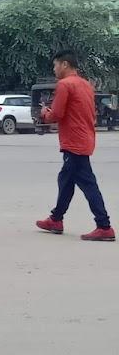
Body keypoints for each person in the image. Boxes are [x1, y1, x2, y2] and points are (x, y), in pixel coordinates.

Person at [35, 50, 114, 242]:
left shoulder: (65, 84)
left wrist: (45, 113)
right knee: (66, 180)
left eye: (55, 65)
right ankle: (56, 219)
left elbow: (57, 114)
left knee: (87, 183)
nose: (54, 70)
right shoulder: (86, 85)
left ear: (64, 65)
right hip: (84, 138)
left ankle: (104, 226)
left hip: (74, 142)